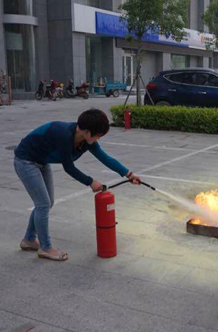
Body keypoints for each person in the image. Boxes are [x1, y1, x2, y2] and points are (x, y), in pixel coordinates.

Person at [14, 109, 141, 261]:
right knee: (43, 204)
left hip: (42, 162)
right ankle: (45, 248)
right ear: (87, 132)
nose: (98, 138)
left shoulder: (87, 141)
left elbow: (105, 158)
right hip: (25, 161)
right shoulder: (64, 135)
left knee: (47, 203)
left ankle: (29, 239)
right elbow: (68, 168)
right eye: (98, 135)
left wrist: (128, 174)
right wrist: (90, 181)